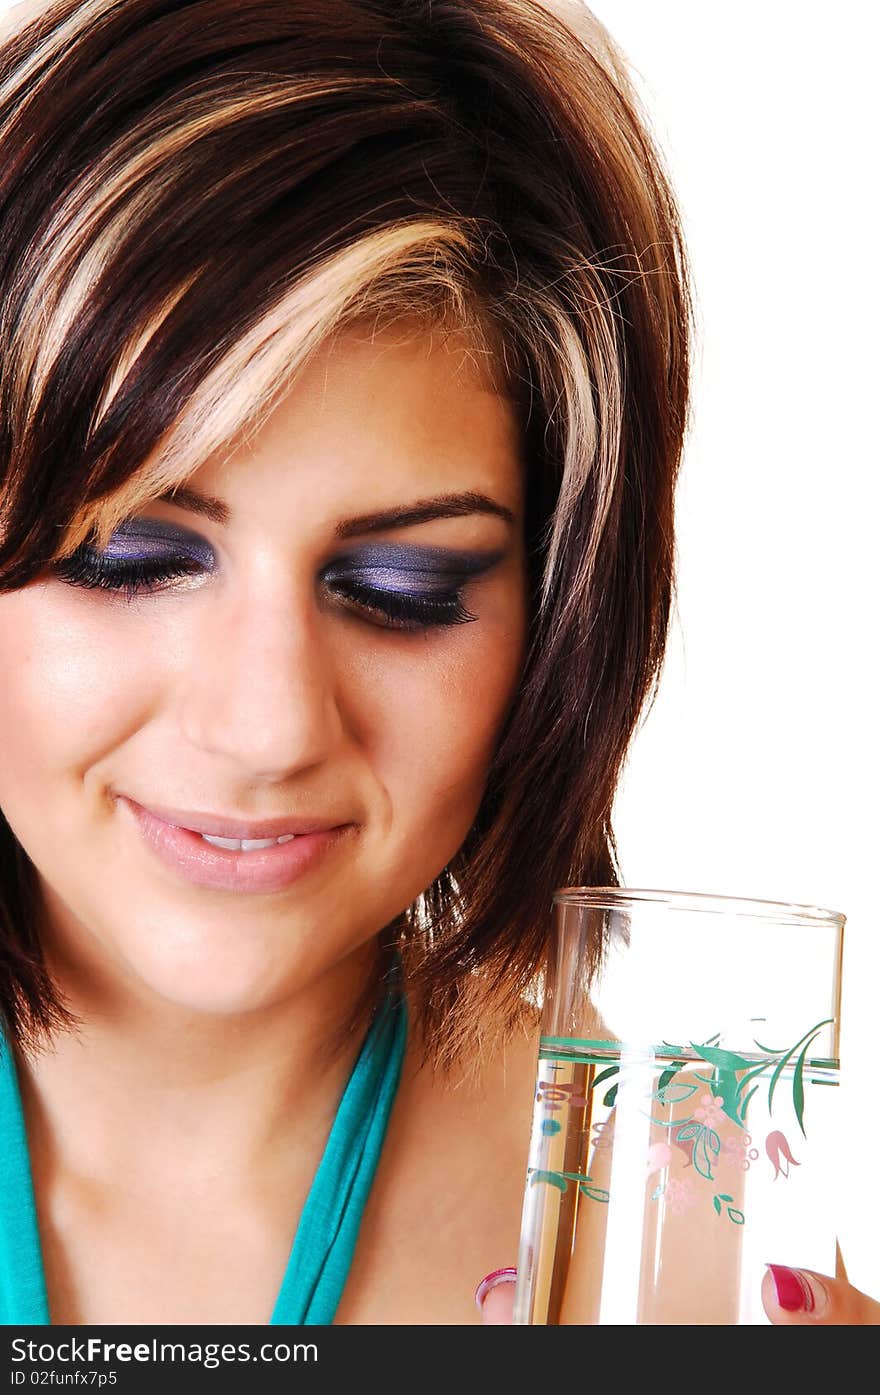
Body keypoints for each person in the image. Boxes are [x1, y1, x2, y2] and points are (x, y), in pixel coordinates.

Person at [0, 0, 874, 1328]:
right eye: (128, 558)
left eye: (403, 592)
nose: (267, 724)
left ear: (559, 619)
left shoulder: (661, 1249)